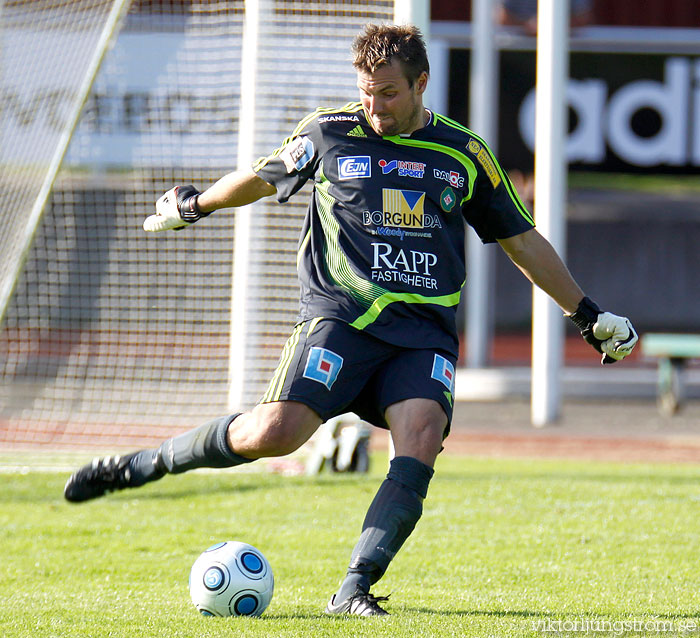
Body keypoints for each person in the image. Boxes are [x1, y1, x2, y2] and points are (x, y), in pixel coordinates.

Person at [63, 24, 637, 616]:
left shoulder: (465, 154)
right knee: (275, 434)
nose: (374, 106)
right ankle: (144, 463)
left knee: (421, 436)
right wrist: (195, 204)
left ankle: (354, 587)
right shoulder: (329, 133)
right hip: (341, 320)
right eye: (366, 91)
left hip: (421, 336)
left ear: (421, 84)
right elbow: (263, 178)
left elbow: (523, 240)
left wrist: (586, 314)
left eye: (388, 93)